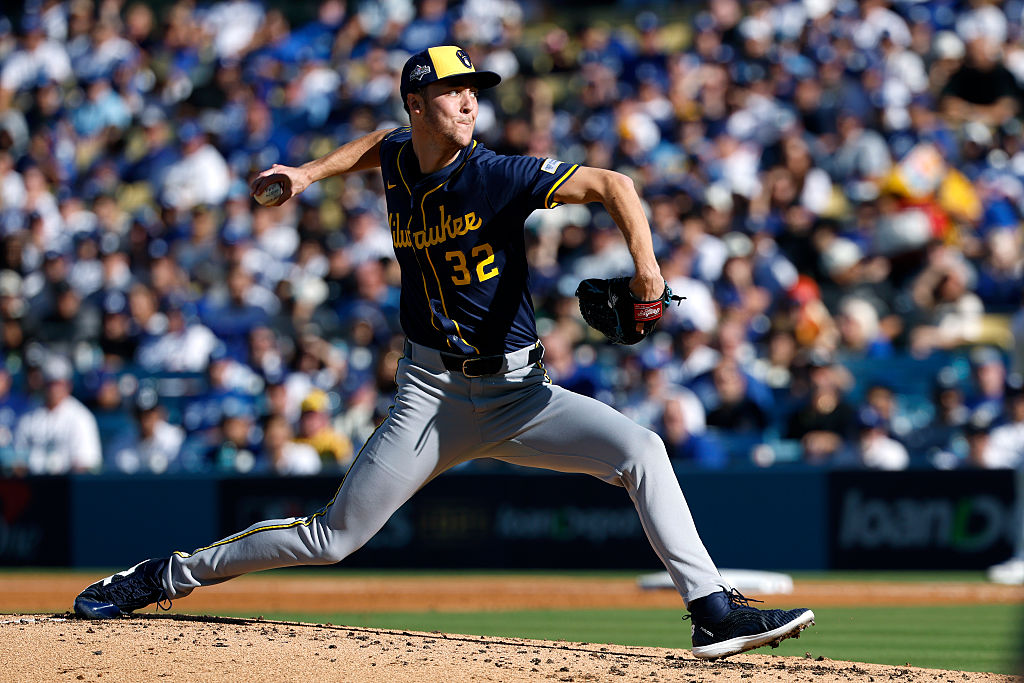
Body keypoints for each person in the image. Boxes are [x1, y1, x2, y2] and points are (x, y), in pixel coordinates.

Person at [73, 45, 813, 659]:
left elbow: (615, 184)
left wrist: (649, 270)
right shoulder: (400, 156)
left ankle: (712, 607)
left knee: (643, 448)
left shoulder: (498, 173)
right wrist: (305, 174)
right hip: (430, 397)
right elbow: (376, 146)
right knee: (332, 537)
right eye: (453, 92)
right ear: (417, 104)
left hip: (522, 395)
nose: (468, 103)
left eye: (472, 93)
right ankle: (165, 573)